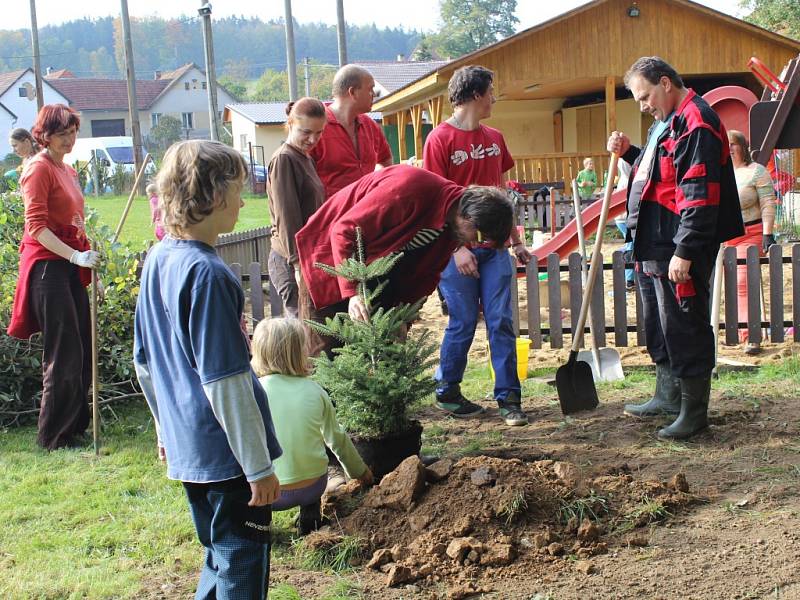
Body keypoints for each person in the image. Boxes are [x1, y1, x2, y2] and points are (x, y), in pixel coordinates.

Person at [133, 140, 282, 599]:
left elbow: (144, 363)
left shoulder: (159, 258)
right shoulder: (210, 275)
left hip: (189, 447)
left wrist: (164, 431)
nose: (243, 200)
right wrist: (257, 467)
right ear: (215, 196)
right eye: (239, 189)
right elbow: (226, 381)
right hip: (228, 455)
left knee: (218, 553)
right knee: (241, 554)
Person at [608, 56, 743, 440]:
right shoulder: (667, 123)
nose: (643, 105)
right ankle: (667, 397)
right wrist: (630, 152)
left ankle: (693, 413)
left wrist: (685, 250)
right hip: (654, 239)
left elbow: (699, 192)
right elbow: (660, 172)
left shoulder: (696, 121)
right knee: (660, 325)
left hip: (676, 243)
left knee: (684, 324)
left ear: (666, 83)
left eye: (645, 96)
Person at [296, 164, 514, 349]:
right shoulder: (408, 189)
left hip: (375, 271)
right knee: (327, 350)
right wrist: (352, 292)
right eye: (479, 236)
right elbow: (344, 231)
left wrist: (404, 316)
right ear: (467, 215)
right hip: (329, 261)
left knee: (376, 352)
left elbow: (426, 276)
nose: (475, 244)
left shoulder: (451, 230)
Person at [422, 65, 531, 427]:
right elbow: (435, 201)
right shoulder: (439, 140)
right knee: (463, 321)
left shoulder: (495, 138)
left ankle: (509, 399)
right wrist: (456, 248)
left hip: (495, 248)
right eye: (490, 91)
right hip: (459, 250)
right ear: (474, 95)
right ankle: (448, 392)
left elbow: (501, 195)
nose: (493, 98)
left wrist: (516, 241)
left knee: (501, 321)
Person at [7, 105, 101, 450]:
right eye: (62, 133)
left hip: (70, 266)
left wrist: (86, 263)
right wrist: (74, 255)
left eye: (73, 132)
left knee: (83, 346)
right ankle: (54, 436)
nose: (70, 139)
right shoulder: (38, 169)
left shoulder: (68, 171)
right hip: (46, 267)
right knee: (64, 353)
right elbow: (37, 227)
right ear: (44, 135)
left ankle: (75, 426)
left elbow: (76, 225)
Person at [251, 317, 373, 534]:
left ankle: (259, 524)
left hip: (268, 492)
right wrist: (359, 472)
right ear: (301, 352)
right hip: (313, 485)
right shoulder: (315, 390)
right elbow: (337, 439)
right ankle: (310, 516)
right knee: (311, 469)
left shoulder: (254, 391)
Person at [267, 98, 327, 318]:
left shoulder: (305, 158)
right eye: (306, 132)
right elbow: (287, 219)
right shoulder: (285, 159)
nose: (313, 139)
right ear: (290, 124)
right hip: (289, 260)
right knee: (302, 333)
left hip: (308, 257)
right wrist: (297, 265)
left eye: (319, 133)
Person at [726, 129, 777, 355]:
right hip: (725, 237)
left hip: (751, 233)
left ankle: (750, 336)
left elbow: (767, 203)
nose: (729, 148)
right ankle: (736, 331)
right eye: (725, 144)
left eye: (733, 144)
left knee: (743, 283)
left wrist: (767, 233)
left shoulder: (756, 172)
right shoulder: (720, 173)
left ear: (742, 147)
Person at [310, 64, 393, 198]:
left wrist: (377, 189)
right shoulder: (316, 127)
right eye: (370, 89)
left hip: (366, 213)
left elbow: (386, 162)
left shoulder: (370, 126)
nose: (374, 95)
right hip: (331, 216)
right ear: (353, 92)